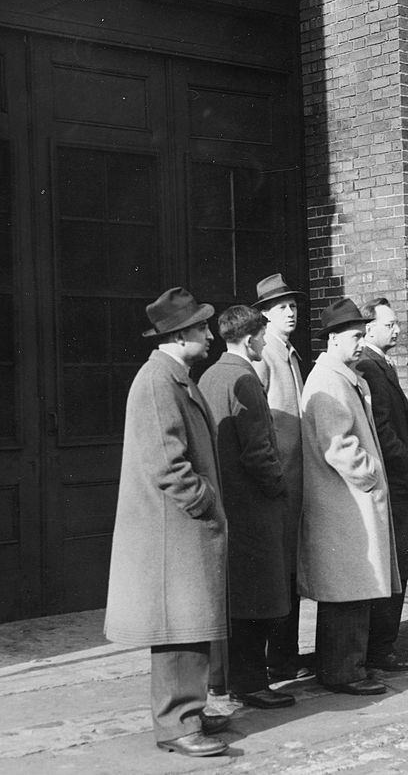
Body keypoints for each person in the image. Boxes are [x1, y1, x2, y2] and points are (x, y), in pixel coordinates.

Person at [104, 287, 230, 757]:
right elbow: (167, 464)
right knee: (176, 626)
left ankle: (189, 712)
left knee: (189, 624)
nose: (210, 335)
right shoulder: (158, 381)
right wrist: (205, 502)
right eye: (201, 328)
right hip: (170, 531)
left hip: (178, 529)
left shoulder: (173, 376)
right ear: (179, 336)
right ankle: (177, 725)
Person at [299, 298, 402, 696]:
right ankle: (344, 671)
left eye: (362, 335)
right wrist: (372, 473)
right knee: (347, 593)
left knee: (352, 592)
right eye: (355, 336)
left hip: (349, 503)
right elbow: (338, 446)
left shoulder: (343, 375)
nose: (361, 342)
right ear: (333, 339)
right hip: (343, 504)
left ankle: (346, 666)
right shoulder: (328, 379)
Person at [197, 306, 294, 709]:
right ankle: (251, 683)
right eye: (260, 337)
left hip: (226, 504)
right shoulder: (245, 379)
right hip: (254, 509)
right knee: (259, 598)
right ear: (251, 338)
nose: (262, 344)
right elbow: (259, 453)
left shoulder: (210, 375)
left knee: (234, 597)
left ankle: (226, 681)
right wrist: (279, 488)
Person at [354, 298, 408, 672]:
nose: (397, 330)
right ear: (369, 328)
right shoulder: (369, 365)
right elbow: (381, 426)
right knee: (394, 562)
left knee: (399, 562)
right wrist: (400, 460)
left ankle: (383, 645)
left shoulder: (380, 364)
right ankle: (381, 649)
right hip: (391, 481)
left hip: (395, 480)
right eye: (390, 324)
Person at [251, 273, 308, 681]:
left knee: (290, 572)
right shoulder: (265, 356)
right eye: (281, 307)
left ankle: (286, 654)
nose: (290, 312)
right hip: (279, 485)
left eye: (292, 305)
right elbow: (258, 423)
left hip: (296, 483)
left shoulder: (289, 353)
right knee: (277, 574)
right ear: (265, 315)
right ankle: (275, 658)